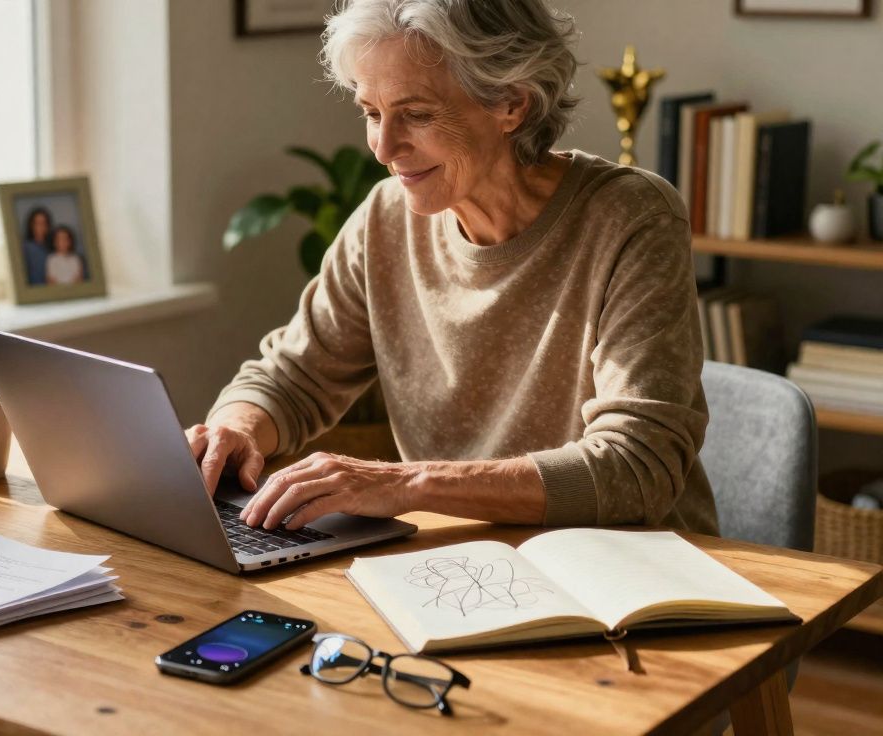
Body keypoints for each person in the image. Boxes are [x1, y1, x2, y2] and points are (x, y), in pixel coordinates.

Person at [187, 0, 717, 537]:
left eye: (416, 114)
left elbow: (636, 469)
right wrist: (235, 429)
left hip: (633, 576)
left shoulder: (630, 218)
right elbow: (293, 376)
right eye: (372, 113)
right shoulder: (385, 217)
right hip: (461, 567)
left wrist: (406, 483)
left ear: (512, 103)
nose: (384, 148)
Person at [22, 207, 53, 286]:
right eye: (37, 223)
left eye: (44, 223)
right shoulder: (26, 247)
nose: (41, 227)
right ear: (31, 225)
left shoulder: (53, 246)